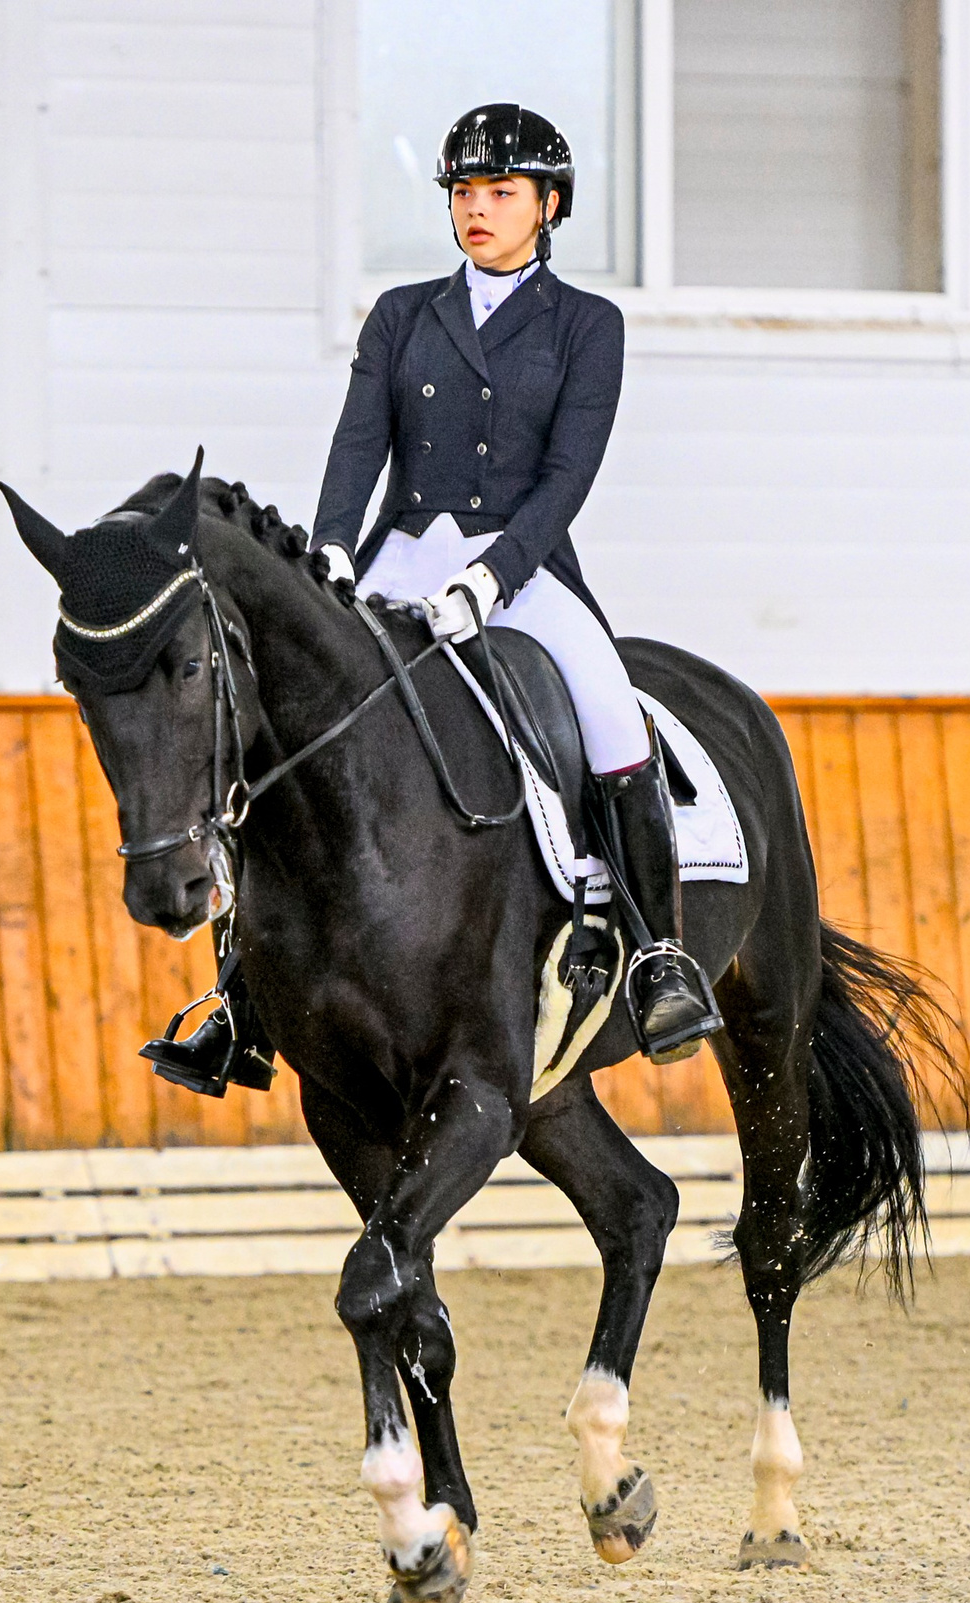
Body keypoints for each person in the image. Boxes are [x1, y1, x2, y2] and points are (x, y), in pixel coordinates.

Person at [143, 102, 722, 1097]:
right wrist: (329, 550)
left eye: (501, 193)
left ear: (547, 206)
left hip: (522, 568)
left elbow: (567, 475)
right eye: (463, 193)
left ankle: (658, 951)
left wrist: (494, 578)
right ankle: (241, 988)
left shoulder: (588, 325)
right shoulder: (405, 314)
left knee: (611, 717)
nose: (478, 210)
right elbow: (358, 441)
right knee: (281, 723)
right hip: (400, 559)